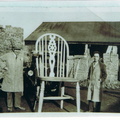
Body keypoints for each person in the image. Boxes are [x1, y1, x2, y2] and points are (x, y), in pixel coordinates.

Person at [0, 46, 25, 112]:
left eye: (19, 49)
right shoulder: (8, 55)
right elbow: (0, 59)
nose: (18, 51)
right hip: (10, 75)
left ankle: (17, 105)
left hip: (18, 77)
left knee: (18, 92)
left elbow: (26, 62)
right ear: (13, 50)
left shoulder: (21, 56)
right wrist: (4, 67)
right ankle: (9, 106)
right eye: (16, 49)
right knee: (9, 92)